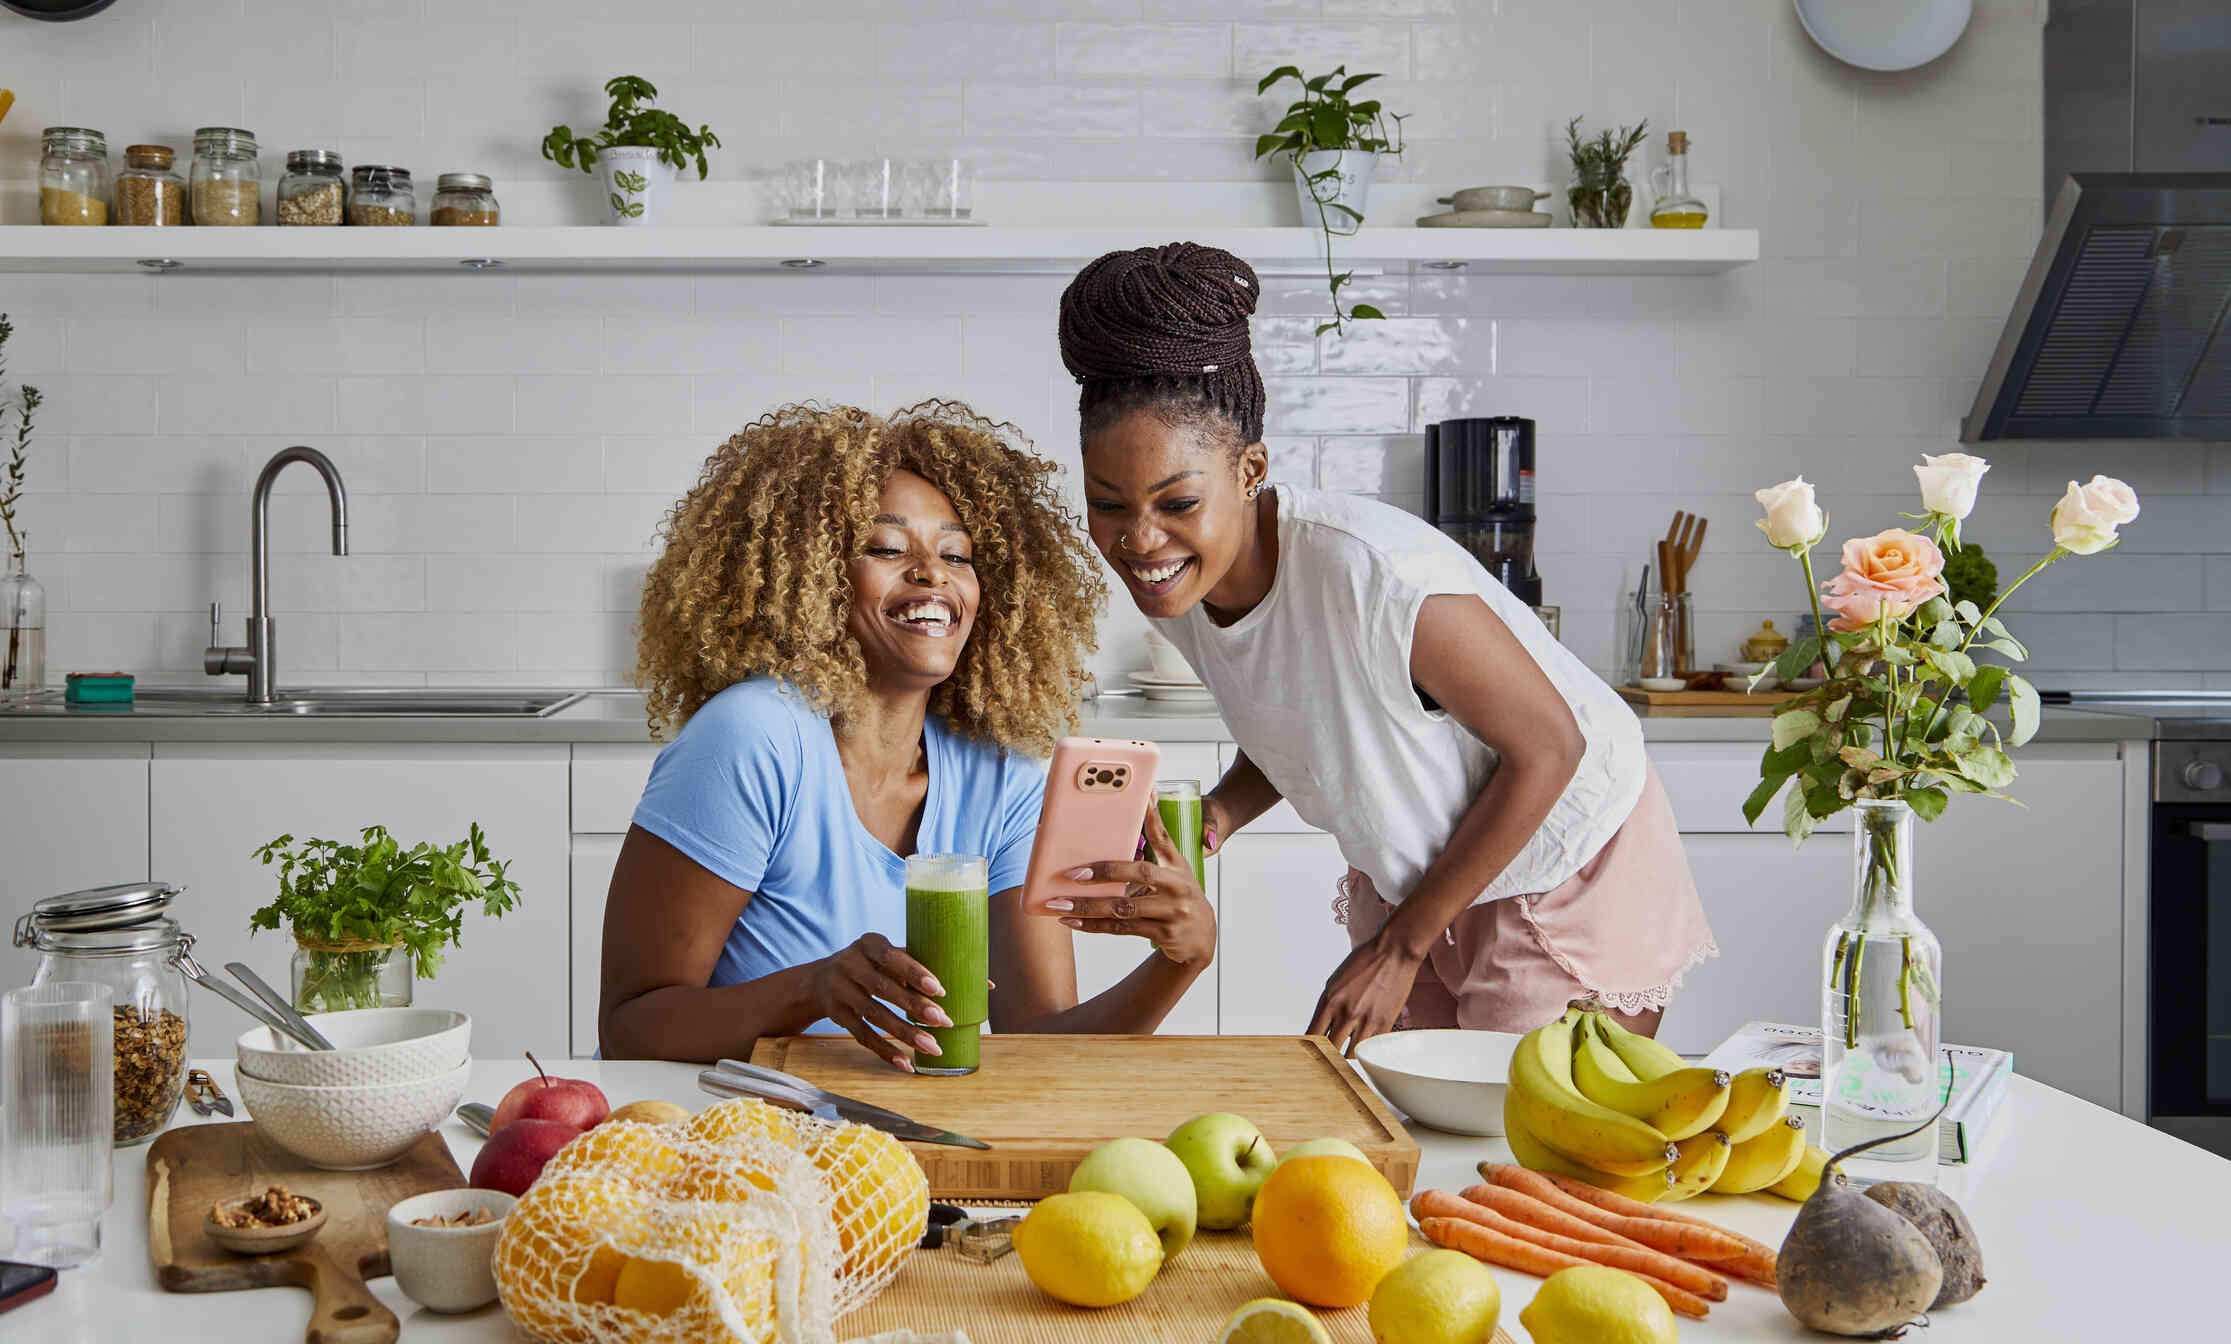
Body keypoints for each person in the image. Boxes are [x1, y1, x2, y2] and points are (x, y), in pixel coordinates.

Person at [1056, 243, 1715, 1052]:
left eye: (1177, 501)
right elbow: (1308, 706)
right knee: (1419, 1122)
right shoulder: (1179, 587)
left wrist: (1400, 947)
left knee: (1533, 1132)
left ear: (1251, 469)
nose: (1140, 539)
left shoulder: (1372, 573)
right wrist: (1221, 814)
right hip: (1429, 869)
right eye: (1107, 504)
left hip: (1561, 852)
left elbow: (1551, 747)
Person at [599, 401, 1216, 1067]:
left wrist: (1180, 961)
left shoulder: (999, 772)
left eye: (957, 555)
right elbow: (631, 1027)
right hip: (736, 1144)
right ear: (813, 579)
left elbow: (1039, 1047)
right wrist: (810, 990)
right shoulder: (753, 738)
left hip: (896, 1152)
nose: (932, 573)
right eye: (886, 548)